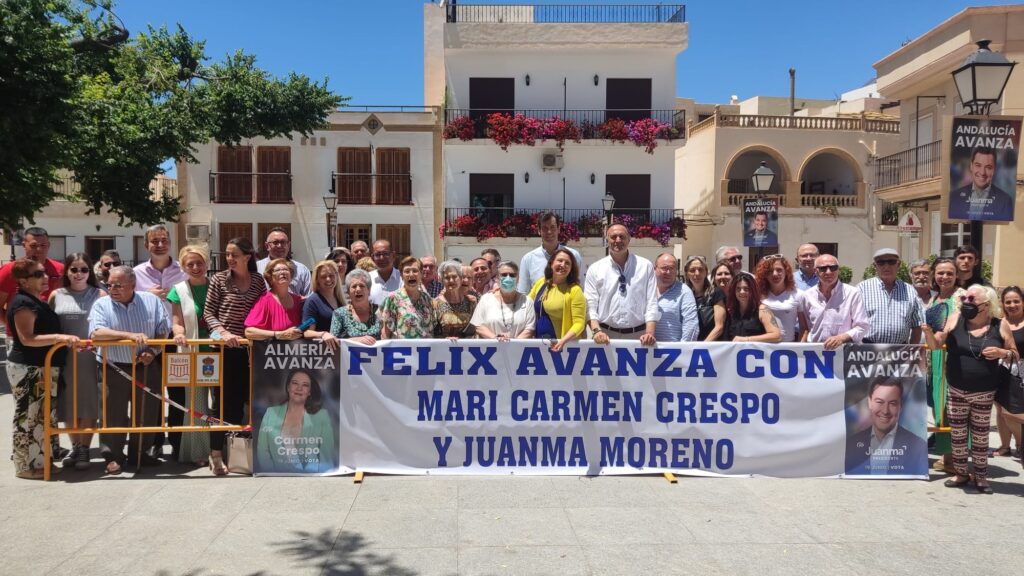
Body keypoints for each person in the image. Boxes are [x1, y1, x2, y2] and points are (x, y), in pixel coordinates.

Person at [922, 284, 1017, 494]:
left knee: (981, 435)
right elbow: (937, 344)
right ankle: (961, 473)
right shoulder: (955, 319)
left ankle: (981, 477)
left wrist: (1002, 352)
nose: (966, 303)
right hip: (956, 389)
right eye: (964, 299)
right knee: (958, 434)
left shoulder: (1000, 325)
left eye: (972, 300)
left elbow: (1014, 353)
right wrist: (929, 333)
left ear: (986, 304)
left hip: (984, 391)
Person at [88, 265, 171, 475]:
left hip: (146, 365)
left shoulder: (151, 301)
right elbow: (96, 334)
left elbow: (163, 331)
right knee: (112, 413)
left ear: (133, 285)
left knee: (147, 412)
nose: (112, 289)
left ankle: (140, 453)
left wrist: (152, 351)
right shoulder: (101, 304)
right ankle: (112, 456)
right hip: (113, 366)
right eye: (110, 285)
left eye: (118, 285)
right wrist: (129, 335)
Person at [6, 259, 79, 479]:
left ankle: (41, 462)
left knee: (41, 418)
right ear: (23, 280)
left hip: (43, 368)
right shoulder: (23, 303)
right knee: (28, 417)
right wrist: (60, 337)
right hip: (29, 368)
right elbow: (27, 338)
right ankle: (26, 467)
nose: (45, 277)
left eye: (45, 273)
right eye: (38, 274)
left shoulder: (36, 300)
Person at [203, 237, 267, 476]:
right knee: (221, 402)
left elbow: (263, 309)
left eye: (234, 255)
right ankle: (216, 454)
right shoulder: (219, 279)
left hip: (250, 350)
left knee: (246, 401)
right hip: (224, 349)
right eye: (227, 254)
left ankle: (242, 453)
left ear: (247, 257)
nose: (229, 259)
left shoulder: (259, 281)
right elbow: (208, 312)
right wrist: (223, 332)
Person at [50, 253, 106, 471]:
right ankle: (74, 445)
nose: (79, 274)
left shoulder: (99, 294)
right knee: (69, 403)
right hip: (64, 358)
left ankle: (85, 447)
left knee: (88, 403)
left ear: (90, 272)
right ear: (67, 271)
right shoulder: (56, 295)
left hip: (91, 358)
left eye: (84, 269)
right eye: (74, 269)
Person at [167, 245, 213, 467]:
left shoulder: (218, 286)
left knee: (223, 403)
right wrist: (178, 333)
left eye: (199, 263)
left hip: (219, 352)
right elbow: (176, 322)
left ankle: (222, 448)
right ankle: (199, 451)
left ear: (207, 264)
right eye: (190, 264)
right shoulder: (178, 290)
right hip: (193, 354)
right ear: (183, 266)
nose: (195, 267)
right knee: (197, 404)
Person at [585, 224, 659, 345]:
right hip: (605, 336)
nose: (618, 240)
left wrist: (649, 333)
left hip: (639, 337)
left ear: (629, 239)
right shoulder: (595, 269)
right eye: (613, 237)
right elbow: (590, 305)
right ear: (607, 240)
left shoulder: (645, 266)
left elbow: (652, 302)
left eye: (622, 236)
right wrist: (596, 331)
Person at [924, 257, 964, 473]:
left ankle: (954, 458)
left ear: (956, 275)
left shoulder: (961, 298)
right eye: (940, 273)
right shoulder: (934, 299)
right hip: (935, 359)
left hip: (952, 359)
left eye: (949, 273)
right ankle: (947, 454)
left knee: (951, 407)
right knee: (939, 405)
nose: (945, 277)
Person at [255, 368, 337, 473]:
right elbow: (263, 454)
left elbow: (327, 458)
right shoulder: (270, 414)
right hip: (277, 479)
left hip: (314, 478)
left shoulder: (322, 416)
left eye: (305, 385)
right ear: (288, 387)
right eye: (295, 383)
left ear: (310, 392)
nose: (299, 388)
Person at [845, 380, 928, 476]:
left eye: (892, 403)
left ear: (900, 405)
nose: (885, 411)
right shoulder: (850, 445)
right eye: (879, 402)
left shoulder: (918, 446)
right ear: (869, 402)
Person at [797, 254, 869, 350]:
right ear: (816, 271)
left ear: (838, 270)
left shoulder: (853, 293)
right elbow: (806, 328)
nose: (828, 272)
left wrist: (841, 338)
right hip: (816, 354)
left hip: (844, 353)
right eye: (823, 268)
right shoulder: (807, 296)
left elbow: (862, 326)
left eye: (833, 268)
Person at [0, 227, 64, 330]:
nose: (38, 250)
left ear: (49, 246)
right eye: (33, 246)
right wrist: (12, 327)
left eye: (43, 245)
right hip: (20, 336)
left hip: (52, 333)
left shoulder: (60, 270)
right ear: (24, 245)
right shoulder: (9, 270)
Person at [858, 249, 922, 344]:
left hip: (900, 352)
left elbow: (917, 325)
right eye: (881, 263)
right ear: (875, 266)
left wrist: (912, 350)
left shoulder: (910, 290)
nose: (886, 266)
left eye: (891, 262)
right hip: (868, 351)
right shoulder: (861, 289)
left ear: (898, 264)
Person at [528, 248, 586, 352]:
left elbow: (579, 323)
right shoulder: (541, 283)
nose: (563, 265)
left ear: (571, 269)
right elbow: (526, 303)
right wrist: (501, 292)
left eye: (567, 263)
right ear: (551, 263)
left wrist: (563, 341)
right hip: (538, 343)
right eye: (560, 261)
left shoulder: (575, 291)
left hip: (561, 346)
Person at [517, 211, 583, 294]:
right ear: (539, 231)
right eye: (545, 228)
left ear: (558, 229)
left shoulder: (573, 255)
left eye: (552, 227)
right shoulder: (528, 259)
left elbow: (580, 287)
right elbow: (523, 292)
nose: (549, 232)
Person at [471, 261, 536, 340]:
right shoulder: (486, 299)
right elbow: (478, 325)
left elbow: (530, 329)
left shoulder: (527, 301)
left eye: (512, 275)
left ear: (518, 278)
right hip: (491, 349)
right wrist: (495, 339)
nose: (508, 278)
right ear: (497, 278)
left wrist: (513, 344)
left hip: (518, 350)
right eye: (504, 275)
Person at [995, 286, 1024, 460]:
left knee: (1013, 410)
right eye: (1008, 302)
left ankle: (1020, 444)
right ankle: (1005, 446)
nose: (1012, 305)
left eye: (1016, 301)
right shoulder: (999, 322)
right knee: (1000, 409)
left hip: (1021, 370)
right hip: (1002, 367)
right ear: (1003, 304)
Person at [244, 259, 305, 341]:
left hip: (297, 352)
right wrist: (279, 335)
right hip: (270, 352)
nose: (282, 272)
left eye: (285, 269)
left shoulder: (299, 301)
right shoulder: (264, 301)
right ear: (270, 278)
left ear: (291, 276)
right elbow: (249, 332)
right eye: (278, 270)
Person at [379, 256, 438, 339]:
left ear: (421, 274)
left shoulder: (427, 299)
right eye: (407, 271)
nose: (411, 274)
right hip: (402, 351)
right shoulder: (393, 298)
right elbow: (385, 333)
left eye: (415, 271)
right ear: (401, 275)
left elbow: (433, 328)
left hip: (425, 350)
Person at [133, 224, 186, 315]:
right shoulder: (136, 273)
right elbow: (127, 301)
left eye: (164, 241)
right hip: (148, 328)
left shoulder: (185, 271)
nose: (160, 245)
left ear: (169, 243)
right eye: (155, 241)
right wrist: (147, 296)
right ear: (146, 245)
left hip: (179, 327)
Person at [948, 146, 1014, 221]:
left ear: (994, 170)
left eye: (988, 167)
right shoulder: (954, 198)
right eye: (978, 165)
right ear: (971, 166)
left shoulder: (1005, 201)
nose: (982, 172)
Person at [722, 272, 781, 343]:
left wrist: (746, 339)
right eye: (738, 289)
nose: (742, 292)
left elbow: (776, 336)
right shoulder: (730, 311)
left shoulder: (762, 309)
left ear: (752, 290)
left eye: (746, 288)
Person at [653, 253, 698, 342]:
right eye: (664, 268)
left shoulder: (684, 291)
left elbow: (691, 325)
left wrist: (682, 349)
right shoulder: (646, 289)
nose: (668, 272)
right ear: (655, 269)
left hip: (673, 352)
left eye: (672, 268)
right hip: (646, 351)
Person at [755, 254, 800, 342]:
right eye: (770, 271)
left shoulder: (798, 294)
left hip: (789, 346)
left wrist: (800, 348)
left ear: (786, 272)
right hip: (763, 347)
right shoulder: (757, 295)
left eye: (779, 270)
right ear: (764, 274)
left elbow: (804, 327)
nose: (775, 274)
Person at [330, 269, 381, 344]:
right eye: (354, 286)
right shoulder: (339, 314)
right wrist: (355, 340)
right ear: (348, 292)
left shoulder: (381, 311)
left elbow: (390, 337)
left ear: (369, 290)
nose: (358, 289)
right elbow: (333, 341)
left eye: (362, 286)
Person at [301, 261, 343, 351]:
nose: (328, 279)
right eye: (323, 277)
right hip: (324, 354)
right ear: (317, 280)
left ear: (336, 276)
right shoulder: (312, 301)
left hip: (342, 353)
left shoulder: (341, 300)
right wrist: (323, 334)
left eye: (331, 275)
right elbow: (306, 332)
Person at [256, 228, 312, 296]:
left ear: (288, 245)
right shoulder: (256, 268)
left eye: (283, 242)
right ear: (267, 246)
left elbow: (308, 298)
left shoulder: (302, 270)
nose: (279, 246)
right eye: (275, 242)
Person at [683, 256, 725, 341]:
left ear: (706, 272)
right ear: (687, 274)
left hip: (710, 347)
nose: (697, 273)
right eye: (692, 270)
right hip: (688, 346)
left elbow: (719, 327)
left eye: (700, 269)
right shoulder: (683, 295)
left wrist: (702, 346)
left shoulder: (715, 293)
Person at [433, 260, 478, 338]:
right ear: (442, 281)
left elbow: (476, 329)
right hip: (443, 348)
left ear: (461, 279)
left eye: (454, 277)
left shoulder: (471, 303)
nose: (451, 280)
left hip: (467, 348)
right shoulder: (435, 304)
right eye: (447, 277)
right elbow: (431, 332)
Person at [368, 239, 401, 305]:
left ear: (393, 256)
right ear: (372, 258)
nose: (381, 258)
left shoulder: (402, 278)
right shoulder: (367, 278)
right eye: (377, 254)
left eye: (385, 254)